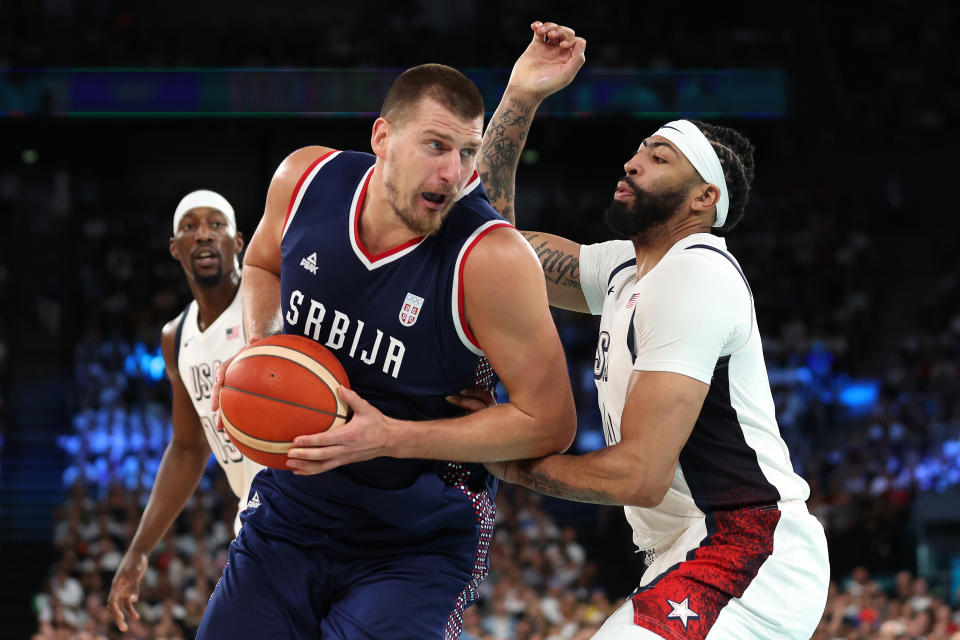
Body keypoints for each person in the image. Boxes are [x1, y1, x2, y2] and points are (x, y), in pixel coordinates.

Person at [198, 54, 583, 639]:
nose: (453, 173)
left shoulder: (491, 260)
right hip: (291, 510)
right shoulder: (303, 179)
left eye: (468, 153)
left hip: (415, 542)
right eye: (436, 146)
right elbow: (260, 263)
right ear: (383, 137)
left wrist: (393, 437)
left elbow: (551, 423)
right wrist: (265, 355)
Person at [478, 22, 831, 640]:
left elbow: (637, 474)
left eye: (658, 157)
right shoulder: (619, 267)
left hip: (748, 542)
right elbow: (484, 250)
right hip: (683, 550)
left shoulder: (697, 272)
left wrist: (508, 464)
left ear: (702, 199)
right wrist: (521, 97)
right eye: (639, 150)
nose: (632, 162)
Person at [106, 190, 264, 632]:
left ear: (239, 241)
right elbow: (187, 448)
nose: (203, 235)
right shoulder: (176, 338)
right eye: (190, 227)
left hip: (308, 498)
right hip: (255, 512)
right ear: (175, 248)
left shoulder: (269, 300)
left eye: (216, 224)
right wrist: (138, 550)